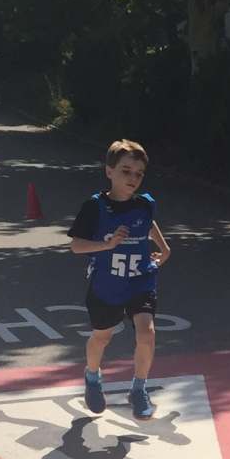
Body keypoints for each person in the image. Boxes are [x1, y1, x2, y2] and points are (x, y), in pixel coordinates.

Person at [67, 139, 171, 419]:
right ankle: (92, 376)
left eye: (138, 173)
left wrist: (164, 248)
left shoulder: (145, 204)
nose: (132, 178)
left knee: (147, 333)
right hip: (107, 283)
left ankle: (138, 388)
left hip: (140, 278)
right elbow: (76, 246)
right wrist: (107, 244)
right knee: (102, 337)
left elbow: (148, 223)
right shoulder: (95, 206)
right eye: (126, 171)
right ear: (109, 171)